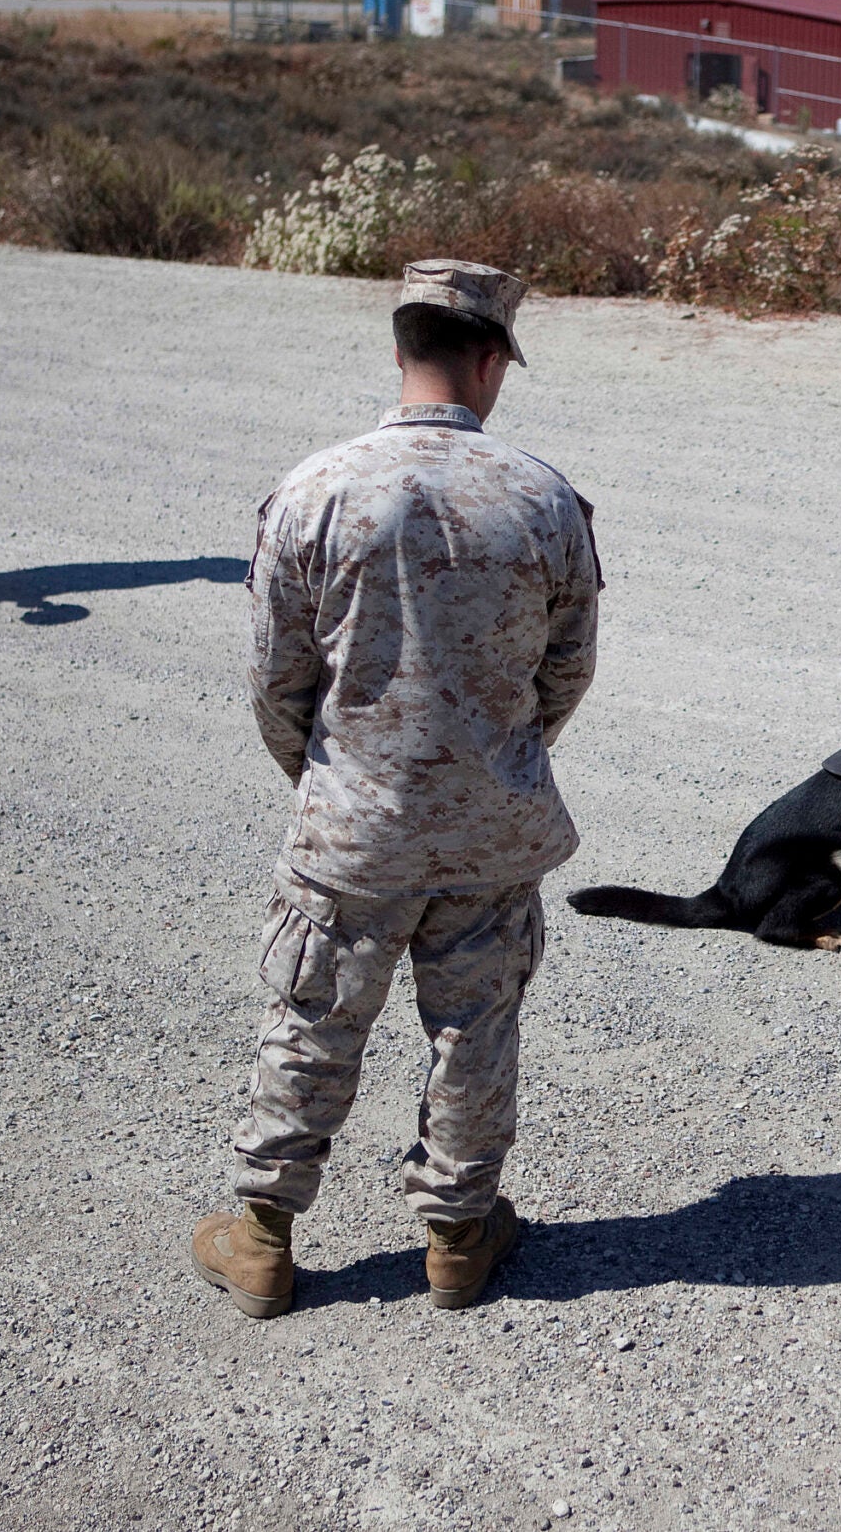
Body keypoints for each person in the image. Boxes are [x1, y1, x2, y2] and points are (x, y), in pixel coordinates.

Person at [193, 261, 602, 1319]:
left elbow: (276, 679)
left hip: (353, 828)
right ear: (487, 362)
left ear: (399, 352)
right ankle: (458, 1241)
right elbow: (566, 671)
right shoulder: (545, 498)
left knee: (314, 1017)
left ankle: (262, 1241)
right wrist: (492, 764)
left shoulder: (315, 489)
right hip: (490, 828)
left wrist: (333, 778)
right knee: (476, 1027)